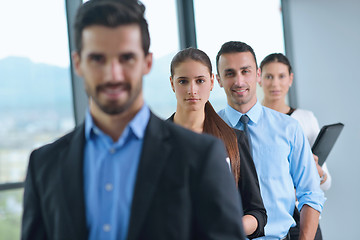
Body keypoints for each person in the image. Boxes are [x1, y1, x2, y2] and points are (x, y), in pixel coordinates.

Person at [21, 1, 246, 239]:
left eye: (126, 58)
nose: (113, 74)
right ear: (78, 63)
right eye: (98, 58)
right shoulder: (44, 165)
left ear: (147, 62)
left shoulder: (199, 156)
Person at [216, 41, 326, 240]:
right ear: (218, 79)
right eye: (230, 73)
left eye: (245, 71)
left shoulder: (289, 128)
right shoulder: (208, 132)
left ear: (257, 74)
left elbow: (310, 193)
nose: (239, 81)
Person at [168, 47, 267, 239]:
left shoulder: (233, 140)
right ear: (172, 84)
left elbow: (257, 213)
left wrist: (227, 225)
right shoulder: (155, 142)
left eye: (200, 80)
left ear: (212, 81)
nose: (192, 90)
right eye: (183, 81)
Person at [259, 53, 332, 239]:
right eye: (269, 76)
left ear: (290, 79)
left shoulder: (305, 119)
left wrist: (316, 171)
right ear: (259, 78)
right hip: (268, 220)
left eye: (281, 76)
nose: (275, 84)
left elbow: (326, 182)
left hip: (305, 218)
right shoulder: (252, 121)